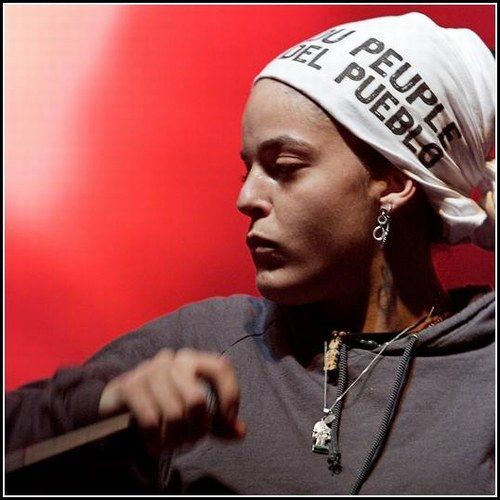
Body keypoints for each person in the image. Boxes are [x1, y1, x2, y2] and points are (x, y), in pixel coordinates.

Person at [5, 12, 495, 495]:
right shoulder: (206, 345)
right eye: (248, 171)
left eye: (284, 167)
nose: (246, 199)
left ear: (394, 181)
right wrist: (100, 407)